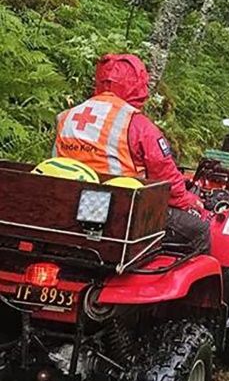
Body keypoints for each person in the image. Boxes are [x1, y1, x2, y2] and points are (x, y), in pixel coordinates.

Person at [54, 53, 210, 253]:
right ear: (136, 85)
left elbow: (55, 163)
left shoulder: (67, 117)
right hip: (120, 213)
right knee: (200, 229)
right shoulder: (138, 125)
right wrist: (191, 201)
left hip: (66, 204)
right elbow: (165, 179)